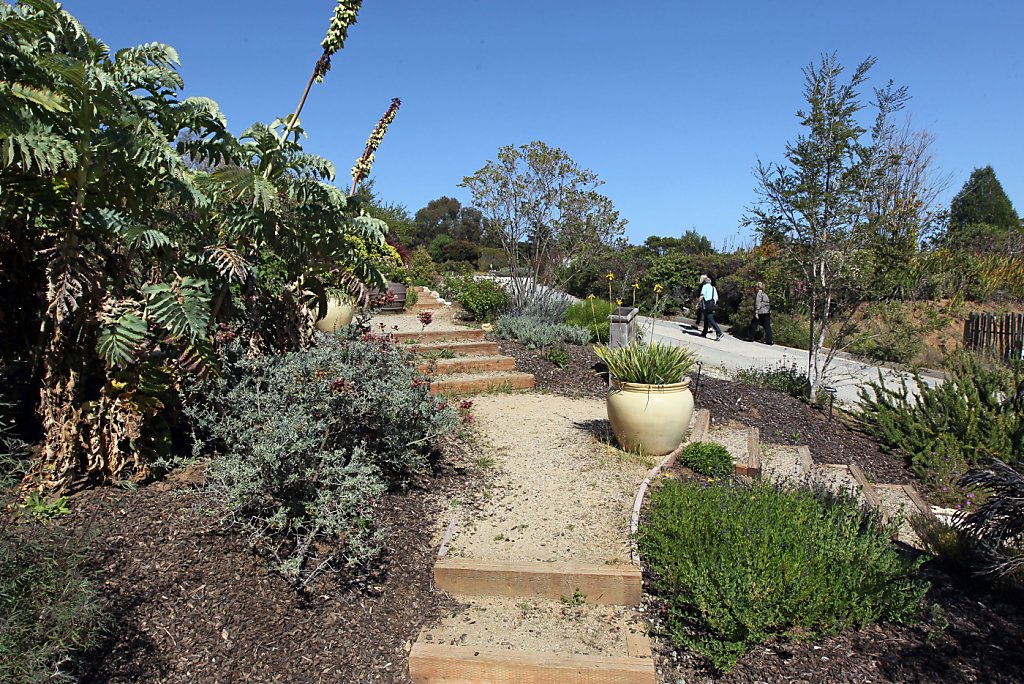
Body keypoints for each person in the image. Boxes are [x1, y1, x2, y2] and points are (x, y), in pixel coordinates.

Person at [698, 276, 723, 341]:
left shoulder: (705, 286)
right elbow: (716, 298)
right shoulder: (713, 288)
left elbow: (702, 295)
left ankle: (719, 332)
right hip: (712, 305)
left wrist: (698, 304)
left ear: (705, 282)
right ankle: (704, 332)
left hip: (706, 304)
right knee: (706, 318)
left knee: (710, 318)